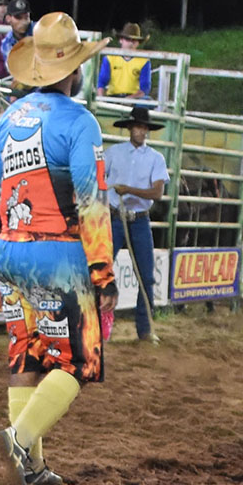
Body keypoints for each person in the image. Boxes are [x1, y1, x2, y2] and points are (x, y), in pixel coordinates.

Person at [0, 12, 116, 485]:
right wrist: (102, 273)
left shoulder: (8, 118)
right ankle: (18, 440)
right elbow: (91, 201)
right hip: (56, 255)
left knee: (26, 355)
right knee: (79, 361)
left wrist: (10, 238)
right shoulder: (80, 122)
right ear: (74, 68)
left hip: (9, 250)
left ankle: (32, 467)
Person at [105, 106, 169, 340]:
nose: (141, 131)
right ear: (130, 128)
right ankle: (97, 324)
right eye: (138, 127)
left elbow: (157, 193)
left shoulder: (156, 158)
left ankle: (145, 329)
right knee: (102, 268)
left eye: (144, 128)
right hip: (115, 216)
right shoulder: (113, 153)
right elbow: (98, 178)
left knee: (146, 275)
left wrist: (129, 190)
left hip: (139, 219)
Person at [97, 22, 151, 99]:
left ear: (138, 43)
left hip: (134, 98)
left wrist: (130, 98)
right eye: (128, 39)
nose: (131, 42)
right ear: (121, 40)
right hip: (113, 97)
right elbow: (101, 82)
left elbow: (145, 88)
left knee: (147, 100)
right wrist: (101, 99)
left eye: (134, 40)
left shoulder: (144, 61)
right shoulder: (110, 58)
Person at [0, 0, 33, 69]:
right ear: (8, 18)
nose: (23, 22)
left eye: (26, 17)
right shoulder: (6, 44)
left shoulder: (41, 31)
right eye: (18, 17)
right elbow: (14, 69)